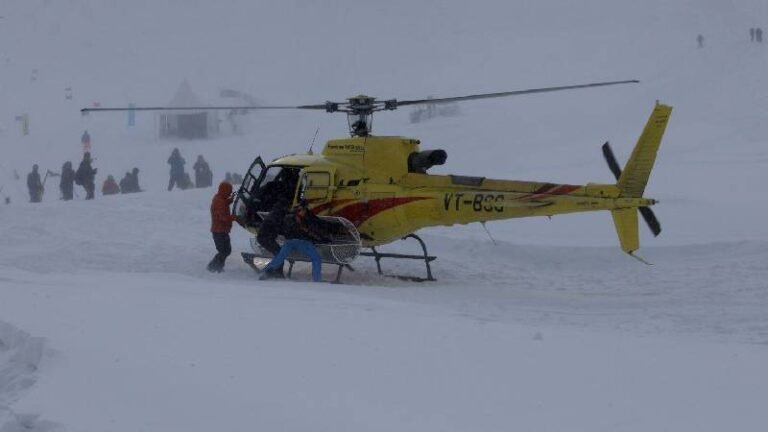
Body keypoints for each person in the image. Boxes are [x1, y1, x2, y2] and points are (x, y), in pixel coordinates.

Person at [258, 200, 332, 282]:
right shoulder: (299, 216)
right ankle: (317, 279)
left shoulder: (292, 214)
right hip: (300, 242)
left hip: (292, 242)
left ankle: (265, 272)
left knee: (280, 257)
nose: (303, 211)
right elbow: (311, 228)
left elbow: (285, 228)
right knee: (316, 258)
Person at [207, 181, 237, 273]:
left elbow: (224, 203)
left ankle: (218, 266)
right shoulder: (219, 201)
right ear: (224, 190)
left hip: (222, 230)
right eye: (229, 191)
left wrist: (230, 200)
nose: (230, 193)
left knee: (226, 250)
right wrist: (233, 217)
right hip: (219, 231)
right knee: (224, 251)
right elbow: (222, 217)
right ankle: (213, 266)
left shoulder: (220, 199)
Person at [256, 199, 290, 278]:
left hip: (265, 237)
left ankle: (276, 273)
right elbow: (279, 227)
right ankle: (271, 273)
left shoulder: (276, 212)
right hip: (265, 238)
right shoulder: (277, 215)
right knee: (279, 255)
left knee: (279, 254)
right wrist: (287, 233)